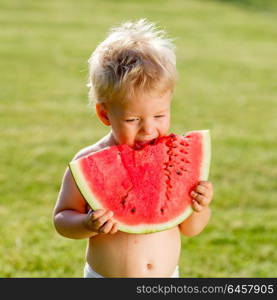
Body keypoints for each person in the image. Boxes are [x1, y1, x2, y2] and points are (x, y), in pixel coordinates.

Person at [53, 19, 214, 278]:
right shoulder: (88, 162)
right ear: (104, 114)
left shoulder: (175, 161)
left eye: (159, 116)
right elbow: (62, 219)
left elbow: (190, 229)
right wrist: (86, 223)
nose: (148, 129)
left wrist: (200, 206)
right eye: (132, 120)